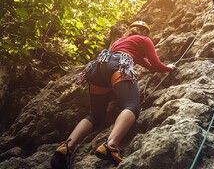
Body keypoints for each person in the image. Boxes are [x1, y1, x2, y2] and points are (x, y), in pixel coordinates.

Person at [51, 20, 176, 168]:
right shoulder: (144, 40)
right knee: (131, 106)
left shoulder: (119, 42)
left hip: (98, 69)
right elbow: (155, 65)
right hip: (118, 65)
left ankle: (67, 147)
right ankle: (111, 145)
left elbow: (146, 64)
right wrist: (169, 68)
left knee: (95, 116)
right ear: (145, 32)